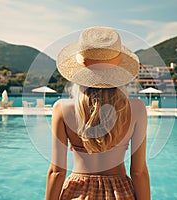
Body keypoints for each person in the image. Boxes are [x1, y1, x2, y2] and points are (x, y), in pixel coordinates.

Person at [45, 26, 150, 200]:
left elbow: (57, 172)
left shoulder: (62, 109)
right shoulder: (136, 109)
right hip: (120, 192)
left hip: (76, 193)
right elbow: (138, 172)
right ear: (118, 72)